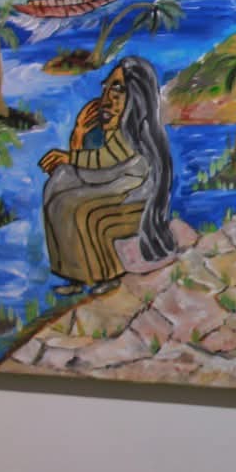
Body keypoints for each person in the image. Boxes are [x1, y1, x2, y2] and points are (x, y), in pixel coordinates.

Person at [38, 55, 177, 294]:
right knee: (59, 199)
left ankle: (105, 276)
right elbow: (91, 161)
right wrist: (79, 133)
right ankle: (76, 275)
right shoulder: (108, 122)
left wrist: (69, 157)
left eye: (119, 89)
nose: (110, 96)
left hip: (134, 193)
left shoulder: (135, 129)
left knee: (80, 210)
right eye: (108, 87)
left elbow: (107, 159)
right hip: (114, 185)